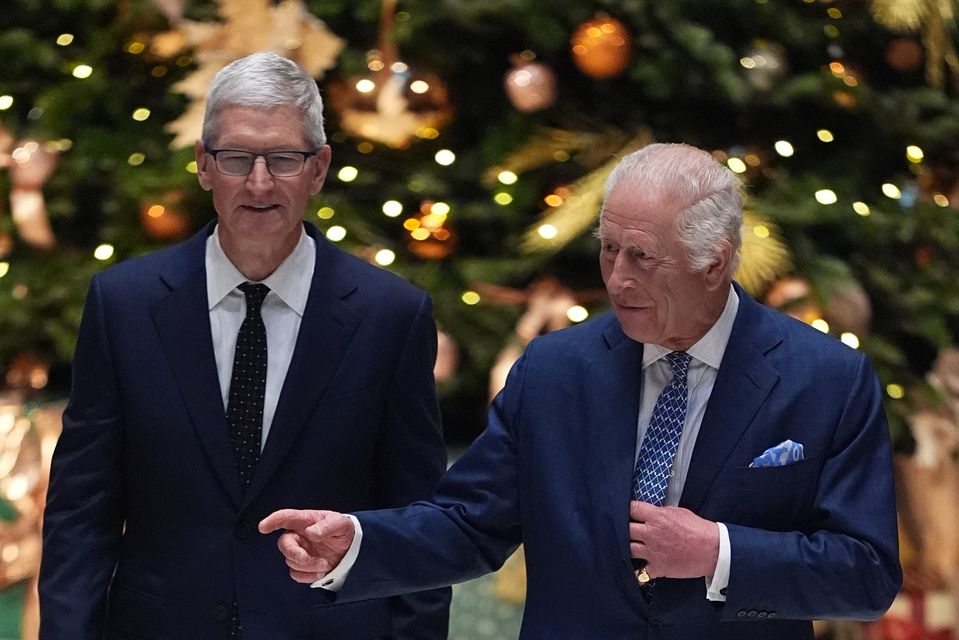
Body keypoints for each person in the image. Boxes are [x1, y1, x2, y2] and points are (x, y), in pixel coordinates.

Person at [259, 143, 902, 639]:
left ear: (715, 262)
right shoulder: (554, 370)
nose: (616, 279)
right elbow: (467, 523)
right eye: (608, 250)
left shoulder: (827, 380)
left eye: (642, 257)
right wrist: (357, 542)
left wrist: (719, 553)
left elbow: (865, 575)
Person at [39, 52, 450, 639]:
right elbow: (82, 511)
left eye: (283, 159)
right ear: (204, 166)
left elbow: (416, 522)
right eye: (236, 159)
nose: (259, 183)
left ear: (319, 167)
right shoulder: (123, 305)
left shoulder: (390, 315)